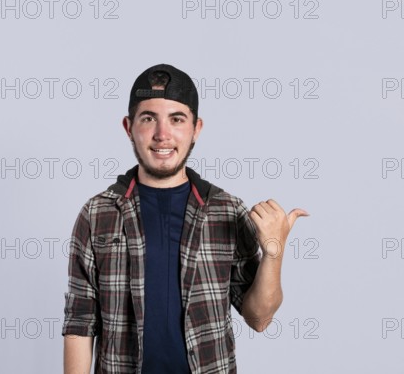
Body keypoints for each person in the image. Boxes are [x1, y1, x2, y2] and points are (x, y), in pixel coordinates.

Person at [61, 63, 308, 374]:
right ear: (129, 127)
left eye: (176, 119)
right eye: (148, 118)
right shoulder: (97, 215)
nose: (162, 135)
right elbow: (79, 326)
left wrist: (274, 253)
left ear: (196, 128)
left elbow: (259, 318)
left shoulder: (227, 211)